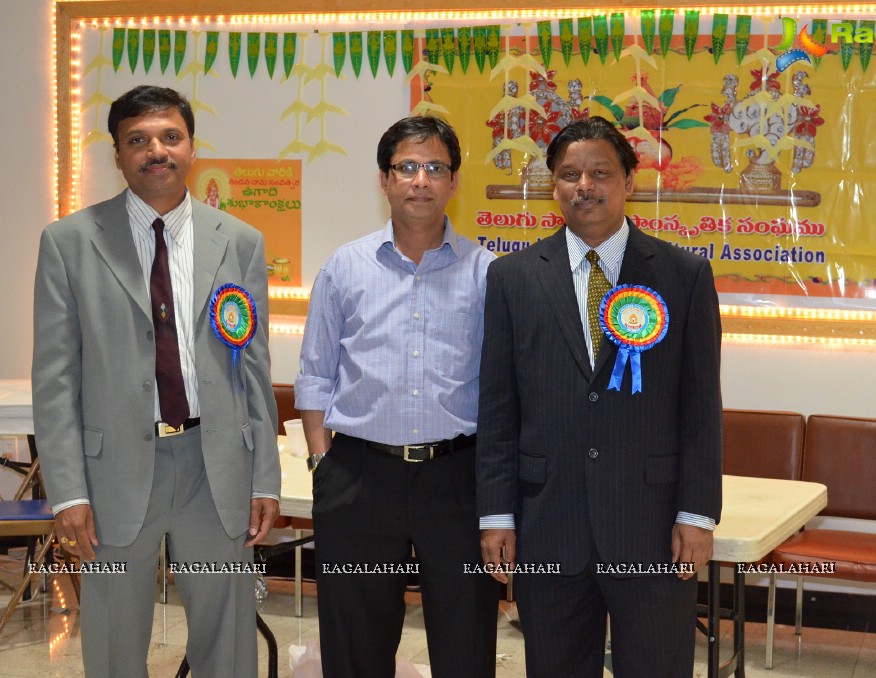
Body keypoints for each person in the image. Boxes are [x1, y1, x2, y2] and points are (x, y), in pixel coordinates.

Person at [32, 85, 280, 677]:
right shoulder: (69, 242)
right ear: (117, 155)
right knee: (115, 634)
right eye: (137, 140)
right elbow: (56, 378)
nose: (156, 151)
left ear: (192, 147)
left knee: (228, 636)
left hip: (213, 466)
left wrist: (264, 476)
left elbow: (254, 368)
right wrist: (68, 492)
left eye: (170, 137)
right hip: (112, 471)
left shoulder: (239, 242)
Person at [476, 115, 723, 678]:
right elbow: (496, 408)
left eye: (600, 173)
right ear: (553, 187)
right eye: (569, 175)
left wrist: (697, 514)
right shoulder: (512, 278)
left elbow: (701, 409)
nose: (584, 186)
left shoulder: (683, 275)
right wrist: (496, 515)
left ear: (629, 182)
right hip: (547, 521)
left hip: (653, 524)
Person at [295, 115, 499, 678]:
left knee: (466, 638)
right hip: (359, 477)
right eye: (406, 167)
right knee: (355, 641)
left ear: (454, 182)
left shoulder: (488, 274)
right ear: (384, 180)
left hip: (458, 479)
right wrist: (322, 460)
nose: (420, 180)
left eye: (435, 168)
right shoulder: (345, 267)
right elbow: (315, 374)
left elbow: (503, 390)